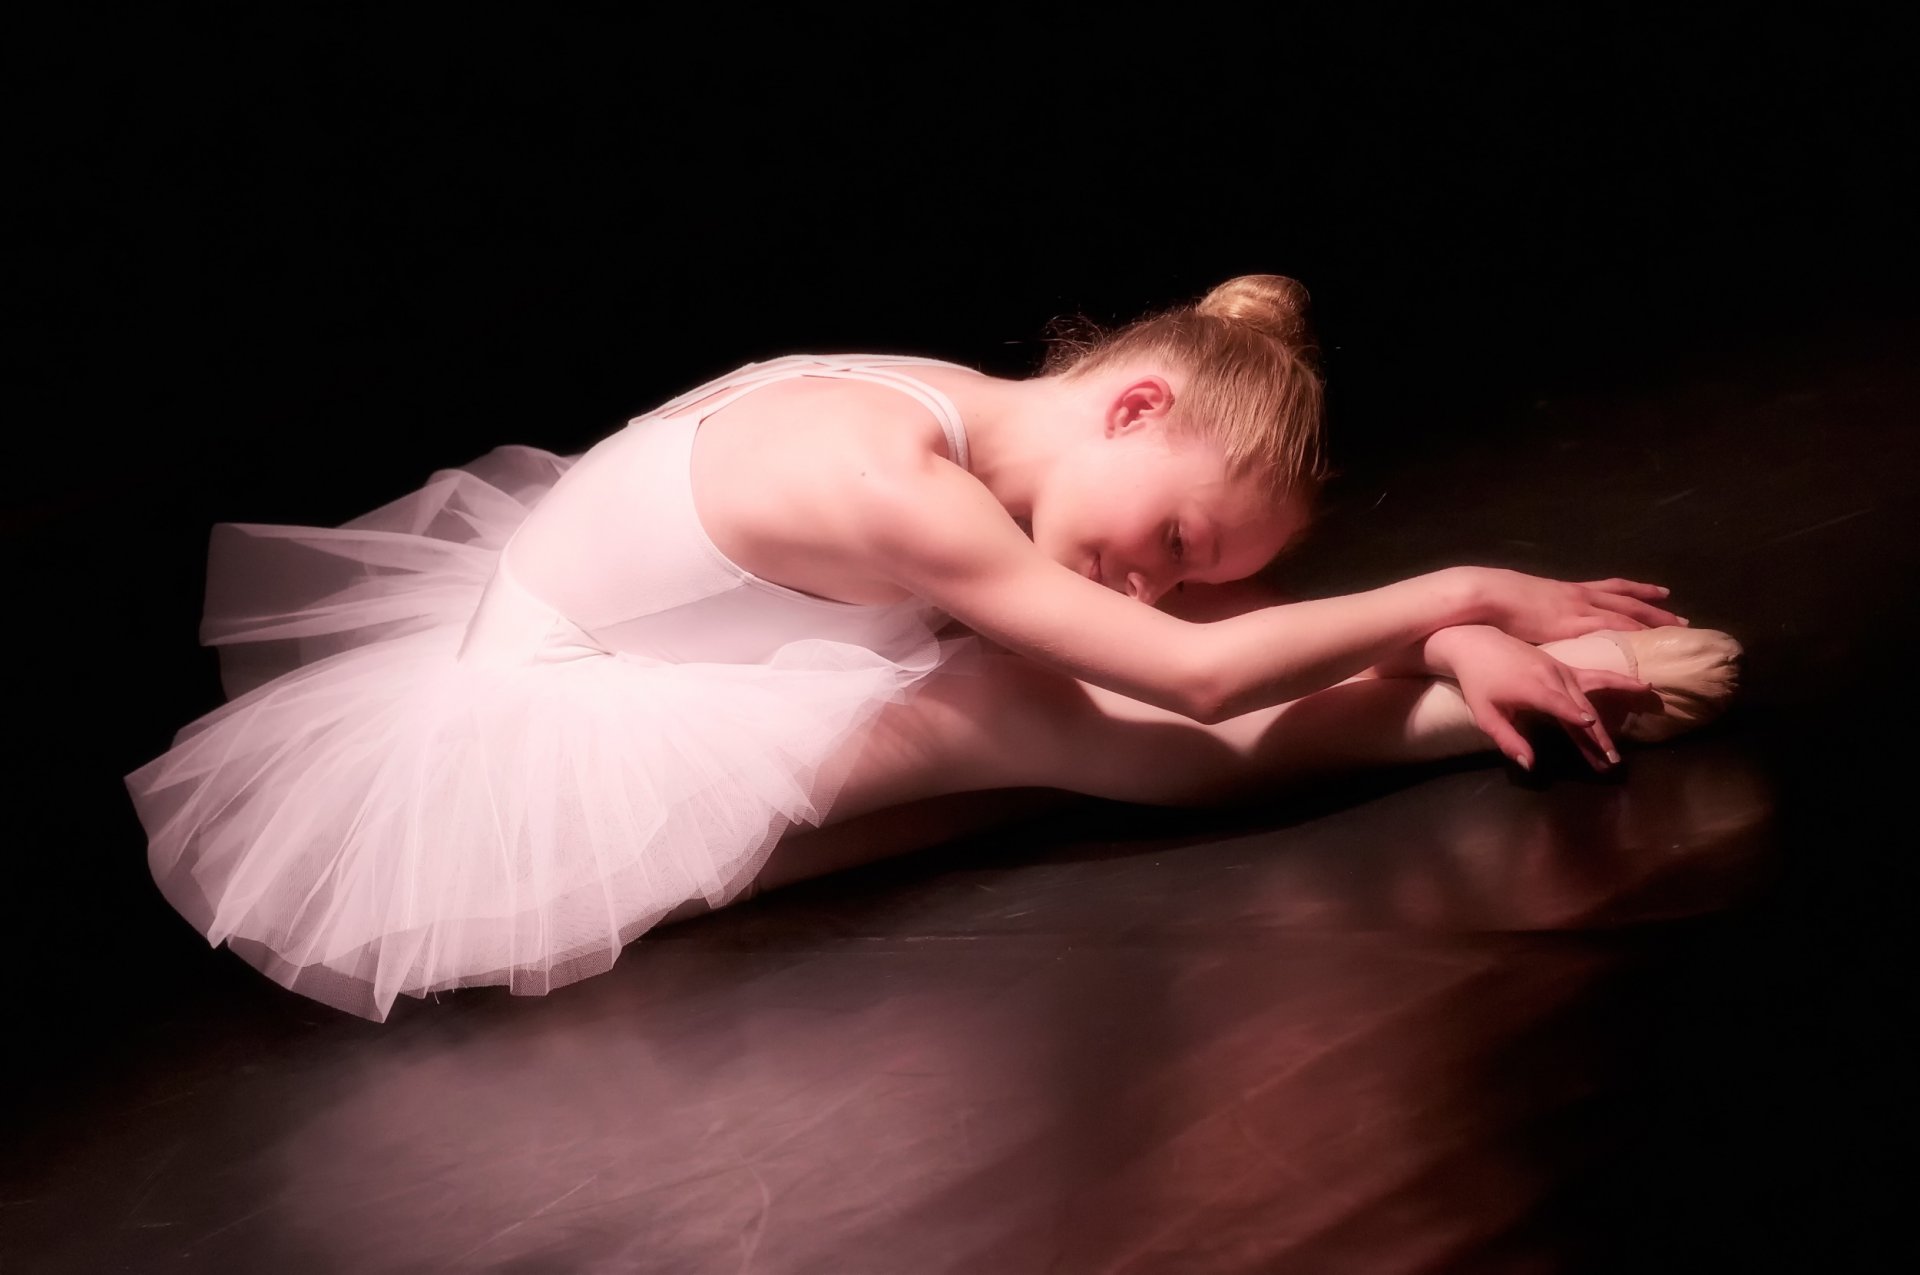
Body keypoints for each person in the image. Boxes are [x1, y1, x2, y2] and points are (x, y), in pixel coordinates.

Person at [125, 275, 1740, 1021]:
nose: (1165, 580)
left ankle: (1465, 688)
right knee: (1037, 705)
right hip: (505, 795)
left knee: (1057, 693)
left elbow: (1180, 636)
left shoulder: (974, 411)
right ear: (1133, 402)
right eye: (1174, 538)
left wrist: (1435, 625)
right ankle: (1494, 715)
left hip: (668, 677)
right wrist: (1457, 598)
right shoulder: (886, 472)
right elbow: (1175, 673)